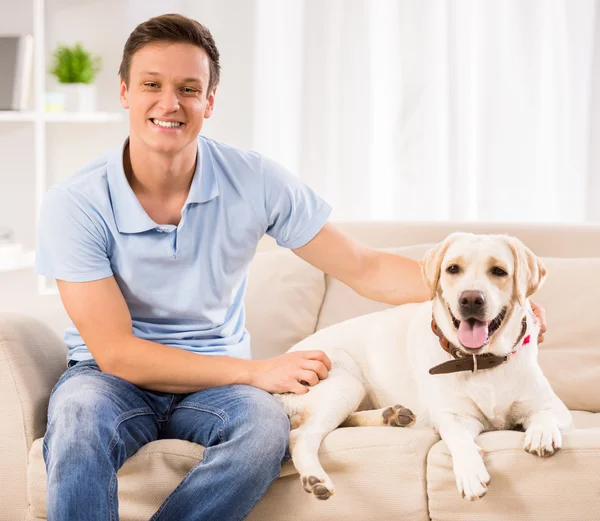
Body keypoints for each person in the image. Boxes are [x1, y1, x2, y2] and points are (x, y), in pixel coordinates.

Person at [34, 13, 547, 521]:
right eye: (152, 84)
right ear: (124, 91)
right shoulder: (76, 202)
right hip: (109, 380)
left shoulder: (254, 180)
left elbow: (364, 268)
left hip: (218, 387)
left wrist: (497, 306)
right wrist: (258, 371)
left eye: (189, 88)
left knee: (264, 431)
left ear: (209, 102)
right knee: (78, 417)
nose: (170, 103)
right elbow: (119, 354)